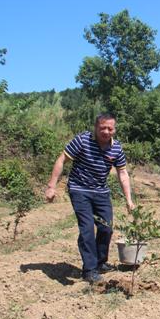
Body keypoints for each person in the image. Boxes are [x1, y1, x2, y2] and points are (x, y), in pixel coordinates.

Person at [45, 113, 135, 283]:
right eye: (102, 128)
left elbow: (122, 173)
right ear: (96, 127)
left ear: (114, 129)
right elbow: (62, 159)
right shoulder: (83, 140)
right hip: (79, 190)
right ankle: (90, 270)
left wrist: (129, 200)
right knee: (86, 229)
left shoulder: (116, 148)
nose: (106, 131)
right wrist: (51, 186)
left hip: (101, 192)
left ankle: (100, 262)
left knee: (106, 228)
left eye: (110, 128)